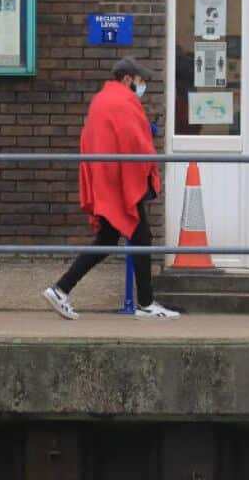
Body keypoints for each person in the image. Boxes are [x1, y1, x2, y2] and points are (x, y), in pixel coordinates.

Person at [43, 56, 180, 320]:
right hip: (121, 182)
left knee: (108, 239)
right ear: (127, 79)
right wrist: (148, 142)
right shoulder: (124, 101)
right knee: (140, 239)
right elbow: (134, 141)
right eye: (140, 80)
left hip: (107, 180)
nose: (143, 87)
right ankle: (146, 303)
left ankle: (61, 289)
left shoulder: (101, 99)